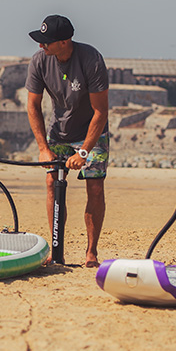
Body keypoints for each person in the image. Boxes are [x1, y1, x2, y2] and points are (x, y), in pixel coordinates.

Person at [25, 14, 111, 268]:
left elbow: (101, 112)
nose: (41, 46)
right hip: (59, 132)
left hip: (92, 133)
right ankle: (56, 250)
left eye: (47, 42)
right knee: (52, 181)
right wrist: (42, 148)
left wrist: (84, 152)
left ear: (64, 42)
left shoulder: (91, 59)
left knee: (94, 186)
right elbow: (33, 105)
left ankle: (91, 253)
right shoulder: (39, 61)